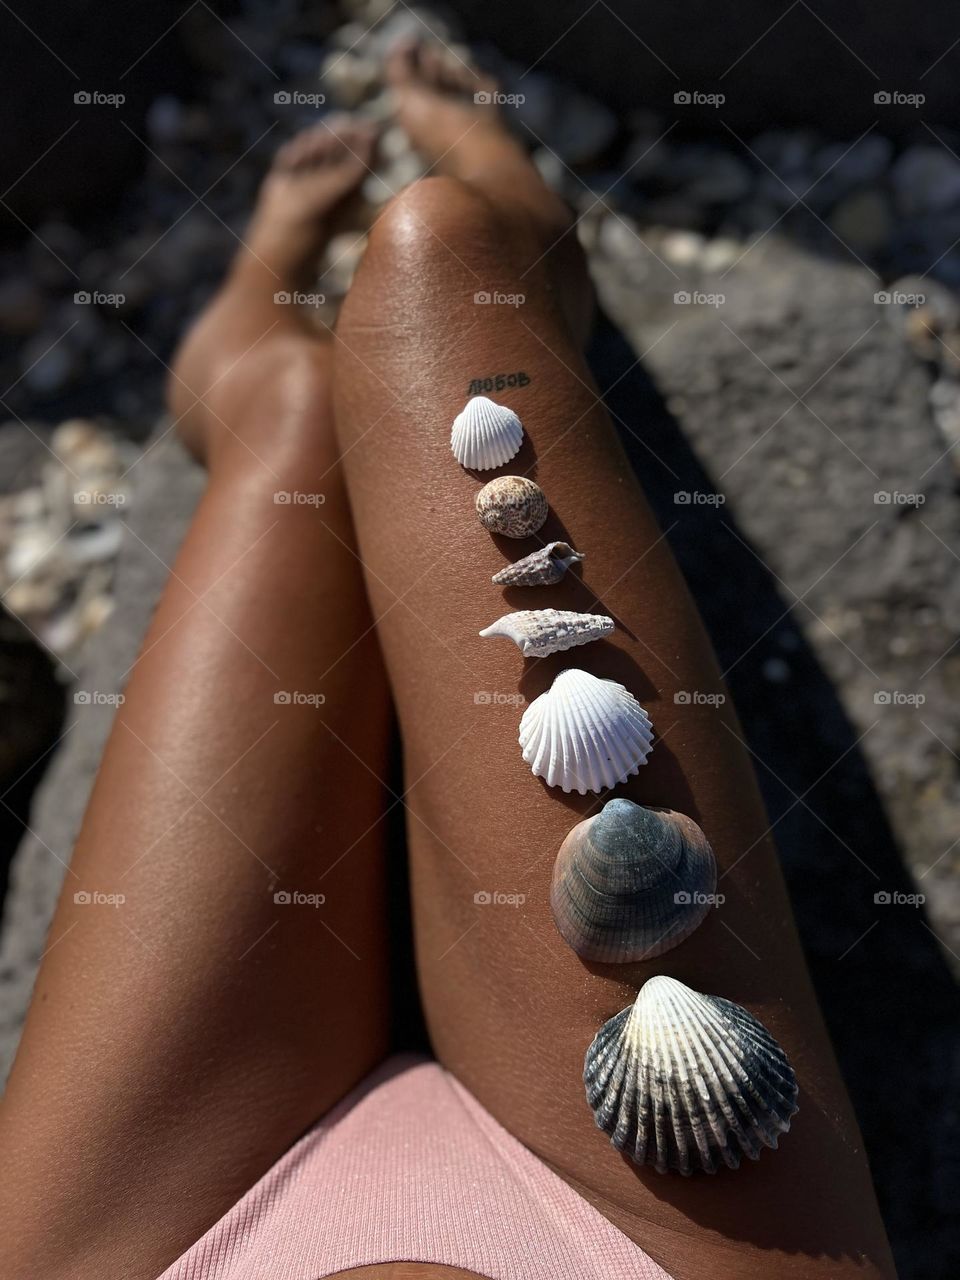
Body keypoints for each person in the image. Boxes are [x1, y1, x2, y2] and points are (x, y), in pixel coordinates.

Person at [0, 39, 897, 1280]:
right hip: (662, 1238)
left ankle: (250, 341)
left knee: (301, 416)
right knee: (447, 255)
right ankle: (519, 216)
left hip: (150, 1242)